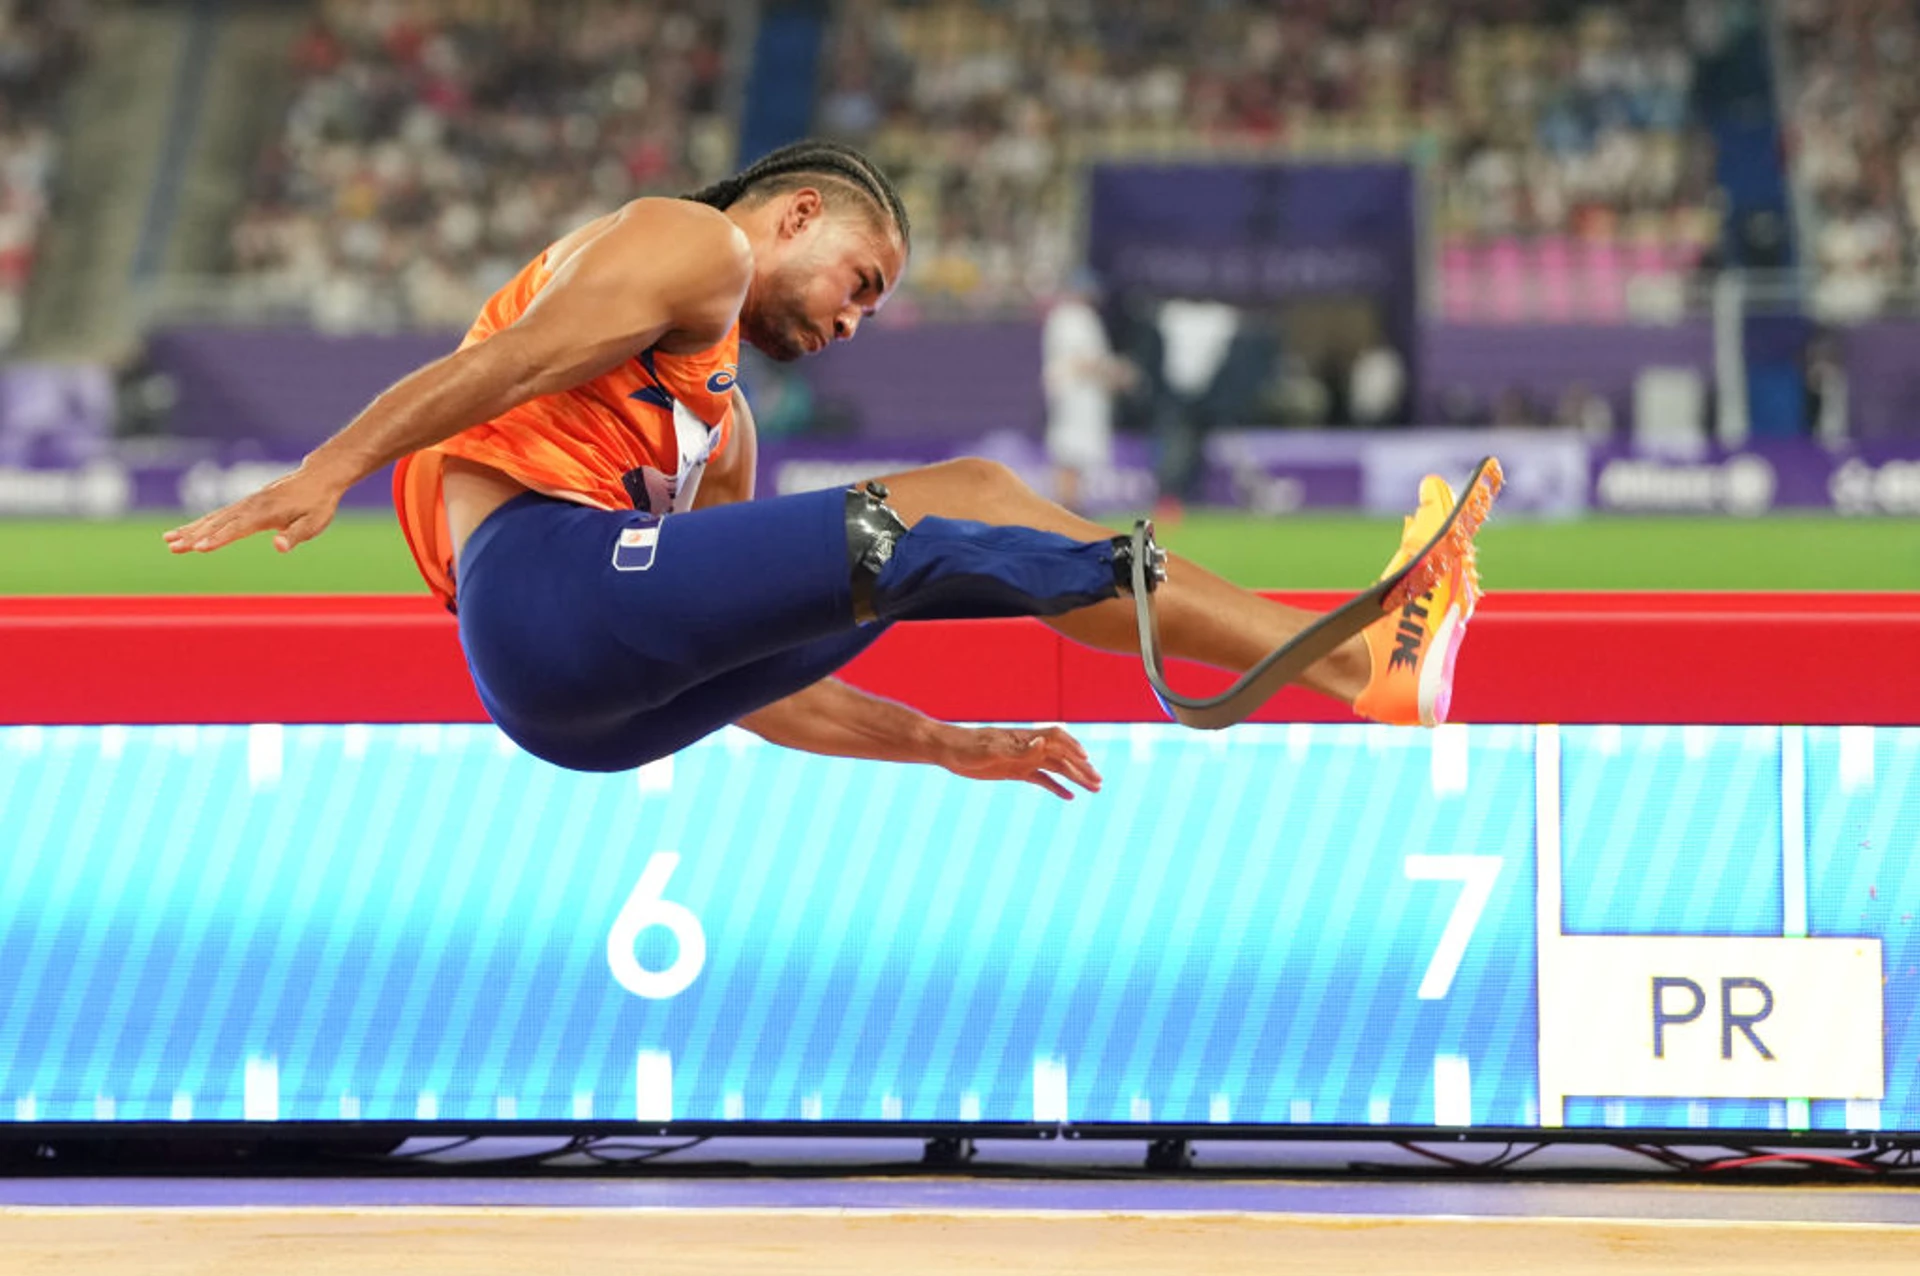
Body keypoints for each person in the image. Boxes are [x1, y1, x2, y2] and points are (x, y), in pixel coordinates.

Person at [165, 140, 1491, 795]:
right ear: (796, 216)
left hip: (579, 707)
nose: (856, 320)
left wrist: (940, 743)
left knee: (941, 546)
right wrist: (329, 467)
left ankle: (1356, 664)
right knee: (963, 502)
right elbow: (506, 366)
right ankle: (1354, 662)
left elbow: (736, 677)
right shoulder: (693, 244)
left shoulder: (719, 430)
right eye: (861, 282)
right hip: (537, 594)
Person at [1041, 268, 1135, 515]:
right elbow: (1082, 361)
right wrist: (1114, 371)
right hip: (1074, 395)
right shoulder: (1070, 317)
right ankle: (1066, 508)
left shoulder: (1079, 316)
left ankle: (1072, 506)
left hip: (1082, 395)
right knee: (1069, 454)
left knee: (1078, 456)